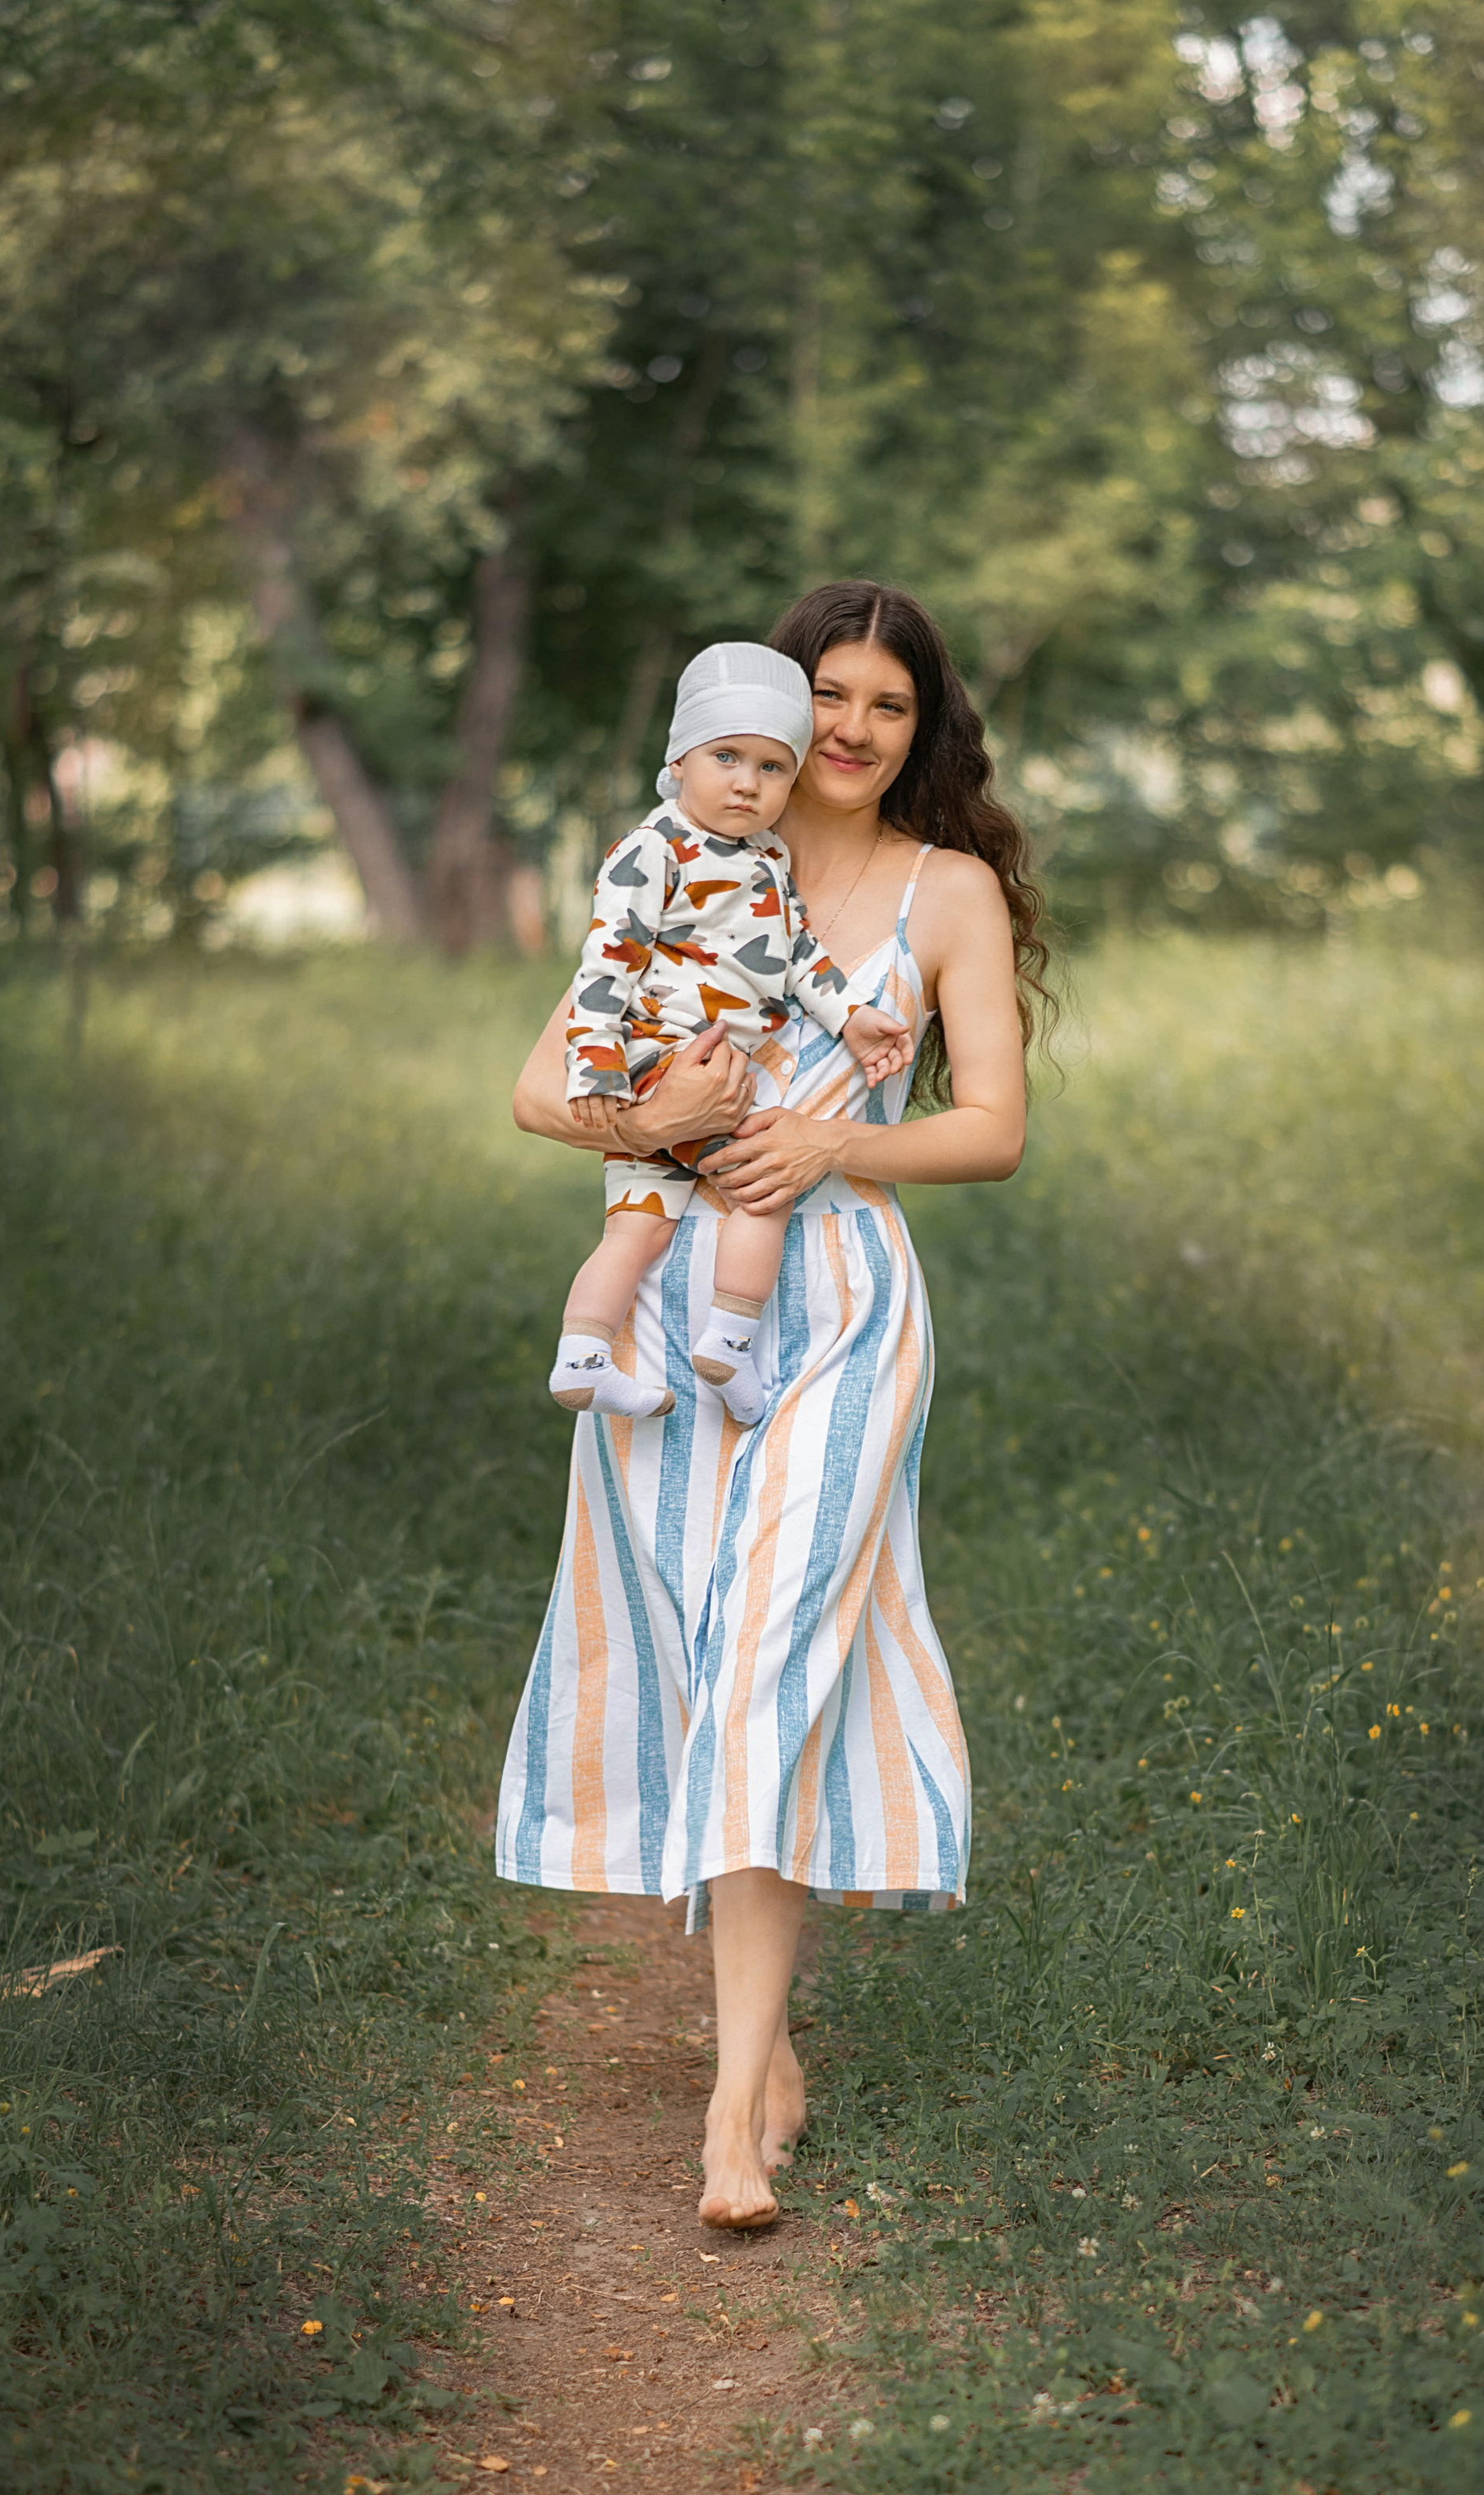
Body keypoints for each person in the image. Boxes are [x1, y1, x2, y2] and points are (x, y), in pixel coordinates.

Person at [500, 579, 1050, 2230]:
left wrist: (834, 1143)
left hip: (842, 1315)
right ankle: (766, 2041)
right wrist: (650, 1116)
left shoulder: (944, 893)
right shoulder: (682, 852)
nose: (850, 730)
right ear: (763, 704)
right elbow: (540, 1089)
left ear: (920, 727)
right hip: (672, 1299)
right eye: (829, 695)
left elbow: (995, 1128)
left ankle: (733, 2107)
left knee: (768, 1655)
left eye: (889, 706)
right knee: (690, 1645)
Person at [552, 640, 916, 1429]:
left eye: (772, 767)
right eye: (726, 757)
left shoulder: (766, 859)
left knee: (637, 1225)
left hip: (675, 1071)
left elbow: (795, 957)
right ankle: (728, 1341)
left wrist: (850, 1018)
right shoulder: (653, 849)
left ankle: (582, 1358)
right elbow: (607, 959)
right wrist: (596, 1068)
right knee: (764, 1185)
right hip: (668, 1058)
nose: (747, 783)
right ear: (679, 759)